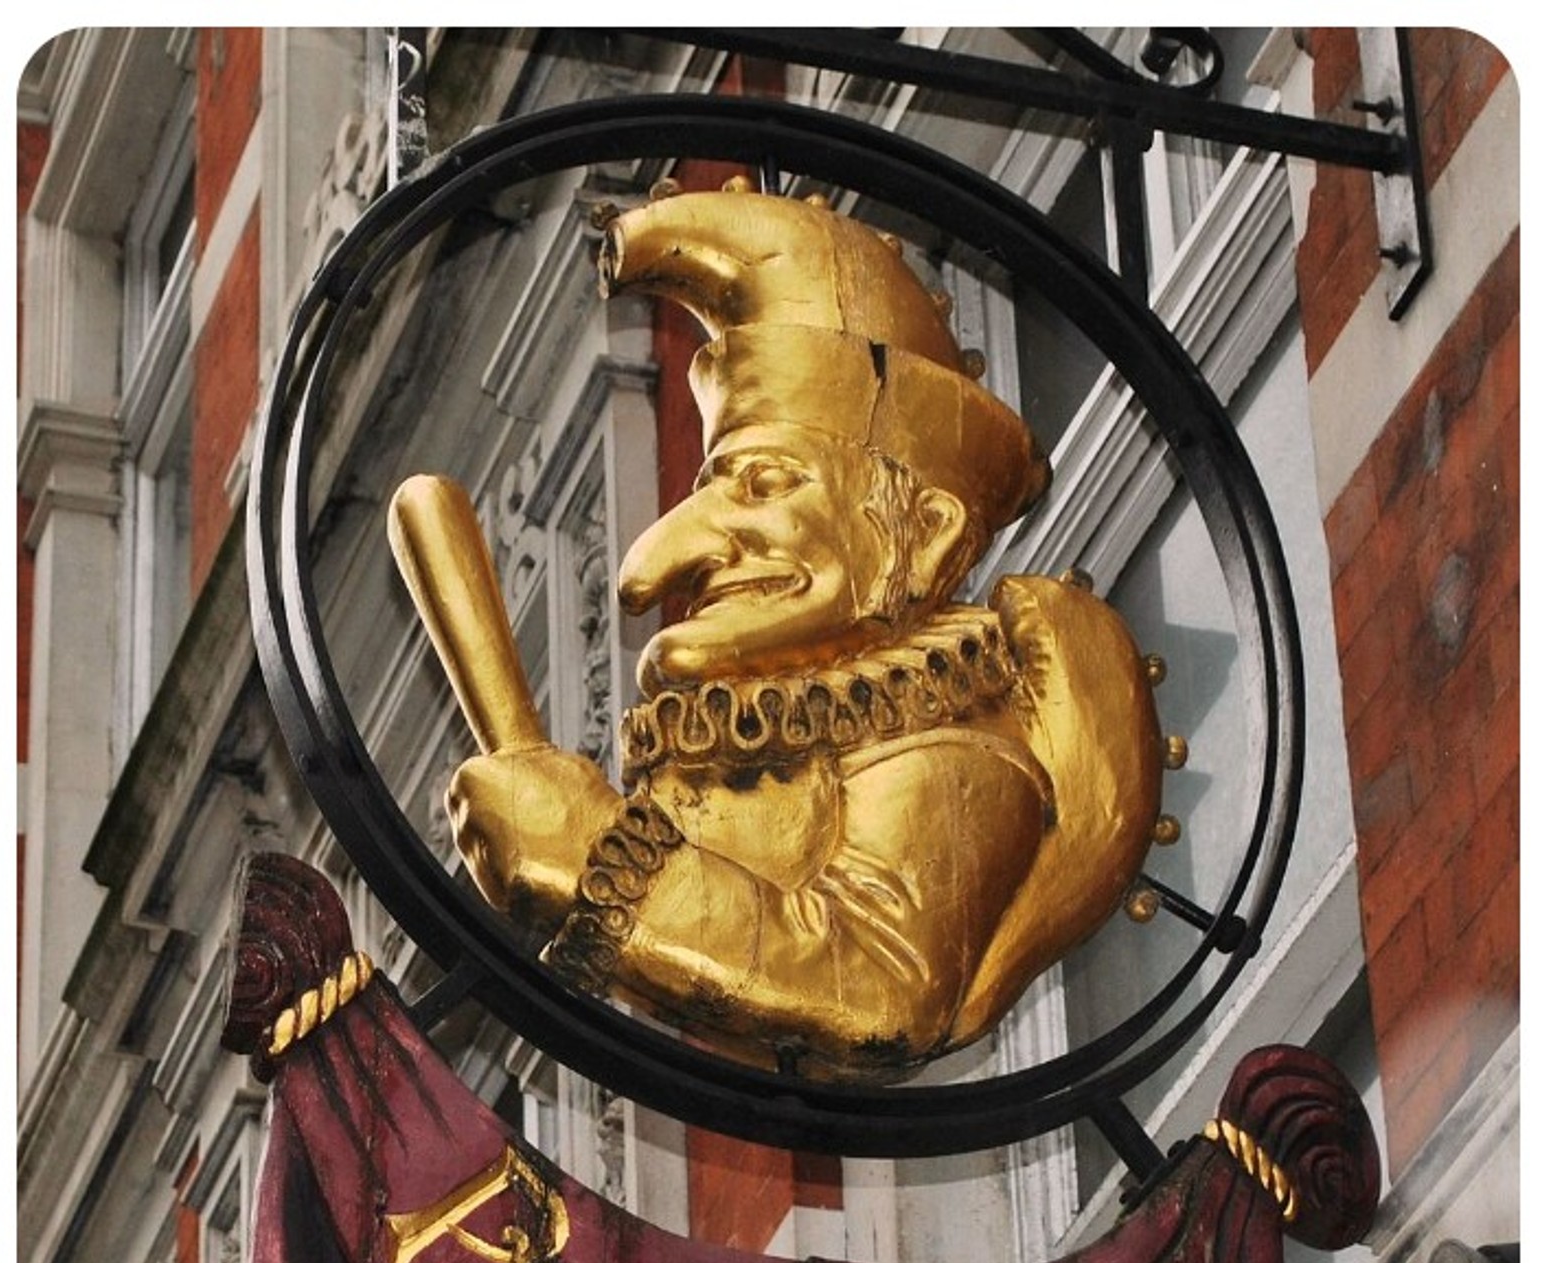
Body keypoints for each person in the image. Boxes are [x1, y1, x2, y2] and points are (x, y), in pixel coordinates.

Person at [431, 184, 1163, 1078]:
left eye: (768, 484)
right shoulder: (762, 735)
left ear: (923, 534)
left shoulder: (949, 740)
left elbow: (884, 988)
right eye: (715, 488)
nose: (655, 565)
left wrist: (592, 855)